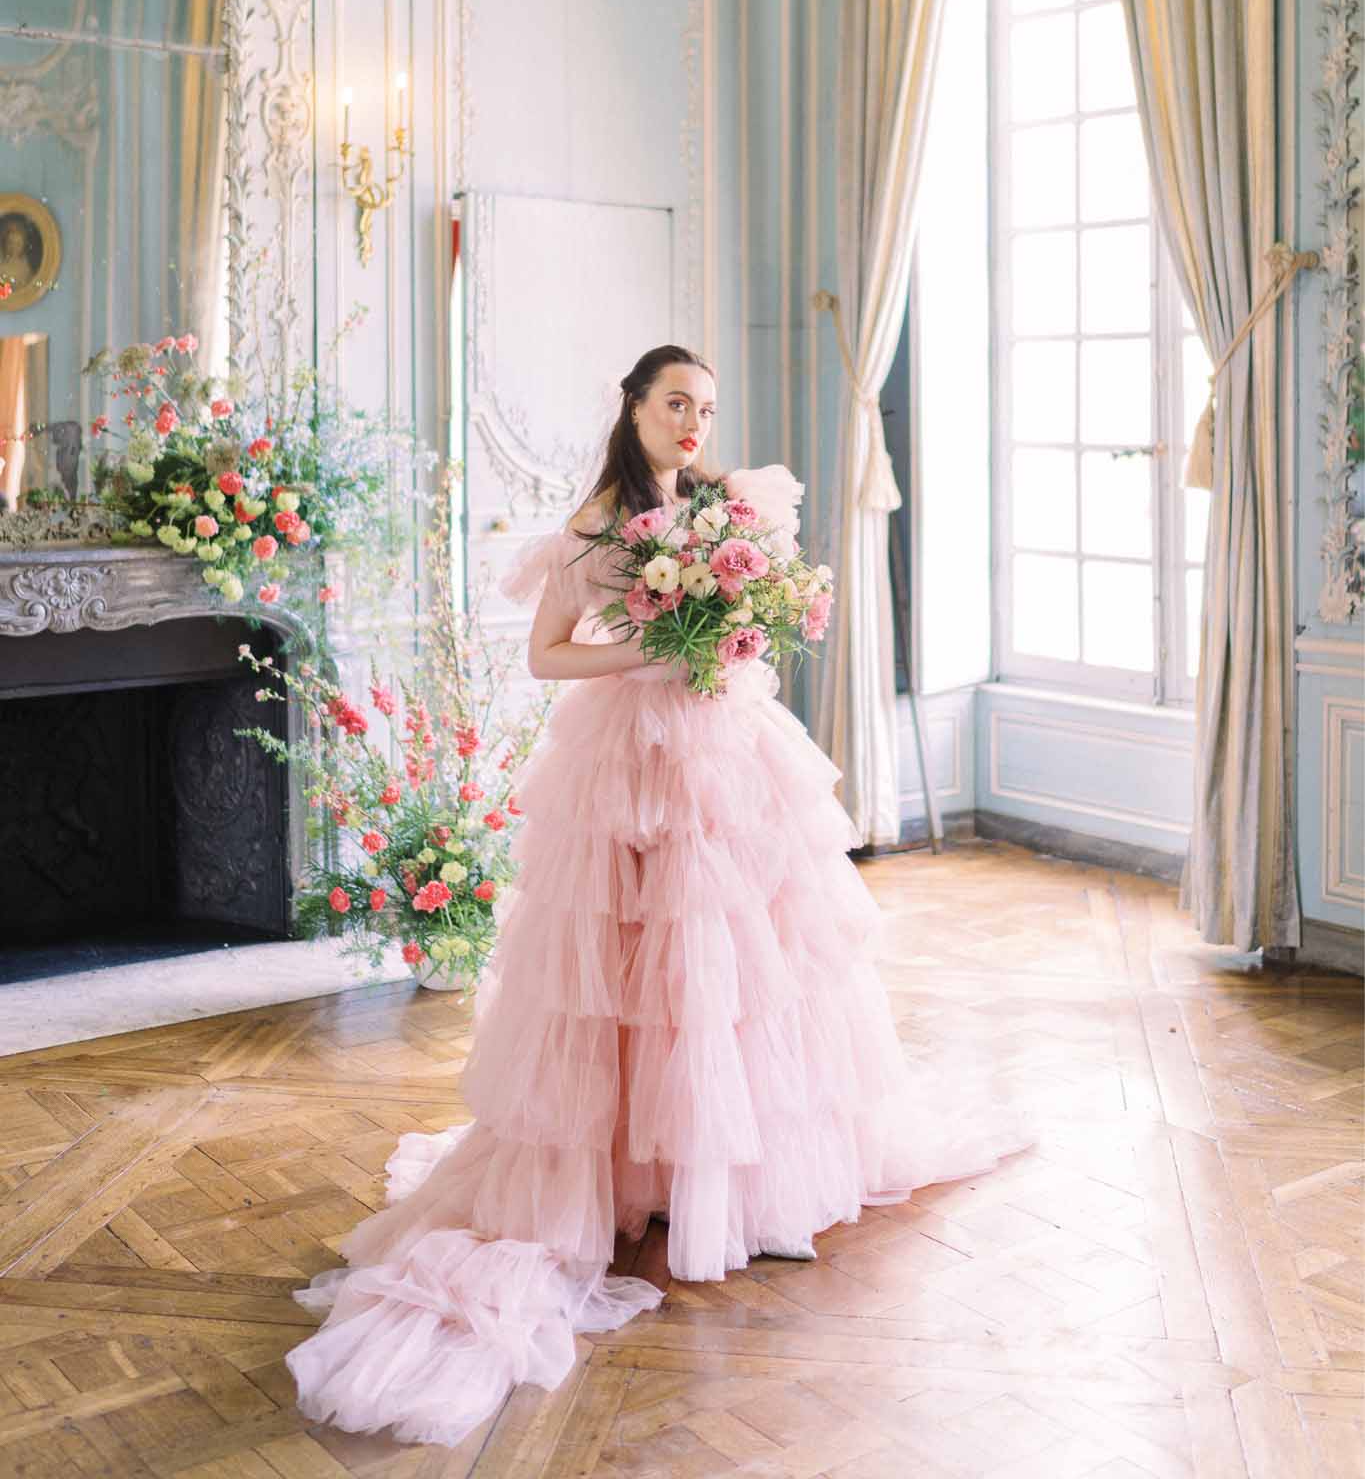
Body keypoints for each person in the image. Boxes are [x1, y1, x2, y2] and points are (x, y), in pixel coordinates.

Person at [286, 344, 1027, 1449]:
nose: (694, 422)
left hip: (726, 753)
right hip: (629, 761)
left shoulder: (725, 504)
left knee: (740, 970)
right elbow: (546, 654)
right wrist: (647, 640)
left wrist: (726, 629)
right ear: (633, 408)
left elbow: (757, 621)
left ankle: (731, 1178)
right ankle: (639, 1173)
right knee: (635, 973)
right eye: (676, 402)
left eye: (707, 407)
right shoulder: (599, 520)